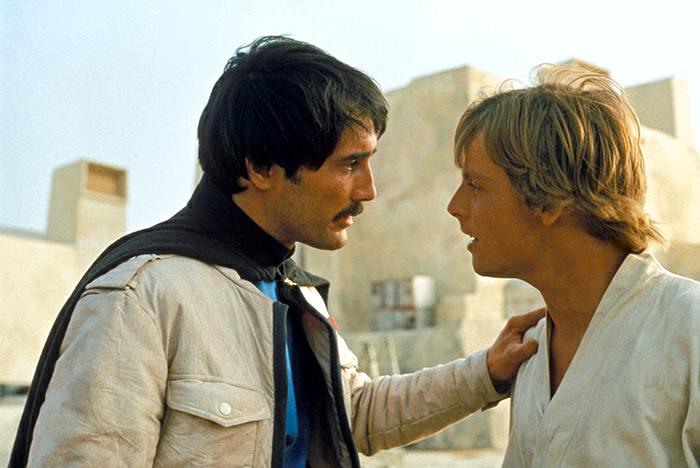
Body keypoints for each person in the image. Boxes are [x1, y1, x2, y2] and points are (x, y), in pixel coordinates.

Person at [11, 36, 542, 467]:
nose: (368, 190)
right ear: (262, 167)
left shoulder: (291, 293)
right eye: (349, 165)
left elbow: (354, 412)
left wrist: (488, 372)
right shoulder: (141, 298)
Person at [448, 64, 700, 466]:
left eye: (475, 185)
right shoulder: (532, 353)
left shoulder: (688, 329)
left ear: (548, 199)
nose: (455, 206)